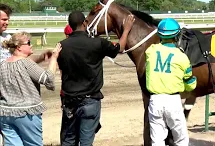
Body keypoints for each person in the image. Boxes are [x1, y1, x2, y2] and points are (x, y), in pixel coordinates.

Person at [58, 11, 135, 146]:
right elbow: (120, 48)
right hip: (90, 101)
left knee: (68, 141)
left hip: (69, 101)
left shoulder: (61, 46)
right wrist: (126, 30)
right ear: (84, 23)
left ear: (69, 25)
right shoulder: (98, 43)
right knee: (86, 141)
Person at [0, 31, 62, 146]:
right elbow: (48, 79)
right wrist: (54, 58)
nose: (31, 45)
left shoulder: (2, 64)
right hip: (27, 114)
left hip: (5, 113)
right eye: (28, 43)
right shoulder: (26, 63)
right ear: (19, 47)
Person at [145, 18, 197, 146]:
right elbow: (190, 84)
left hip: (155, 101)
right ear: (177, 36)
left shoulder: (150, 51)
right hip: (173, 102)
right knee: (181, 139)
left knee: (157, 140)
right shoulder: (182, 57)